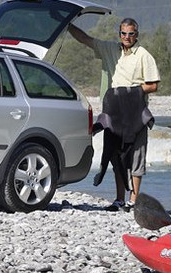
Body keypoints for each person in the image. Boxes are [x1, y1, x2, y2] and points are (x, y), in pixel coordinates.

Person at [68, 18, 160, 211]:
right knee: (116, 155)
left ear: (137, 35)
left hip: (136, 110)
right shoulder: (110, 49)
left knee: (136, 155)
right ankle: (119, 199)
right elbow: (85, 39)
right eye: (123, 33)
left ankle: (133, 201)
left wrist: (132, 92)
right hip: (114, 110)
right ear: (119, 34)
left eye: (131, 34)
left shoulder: (144, 55)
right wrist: (66, 24)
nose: (127, 37)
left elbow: (153, 85)